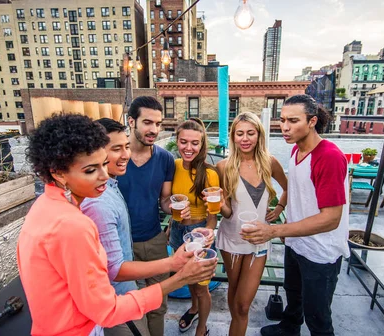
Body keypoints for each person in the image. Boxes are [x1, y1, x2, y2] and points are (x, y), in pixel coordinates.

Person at [18, 114, 217, 336]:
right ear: (58, 172)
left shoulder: (43, 207)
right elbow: (109, 308)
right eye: (91, 170)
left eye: (104, 163)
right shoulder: (74, 224)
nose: (104, 175)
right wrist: (179, 276)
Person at [242, 95, 349, 336]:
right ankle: (289, 329)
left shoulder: (329, 157)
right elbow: (295, 186)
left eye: (293, 120)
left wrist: (275, 230)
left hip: (321, 252)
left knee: (318, 316)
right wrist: (280, 208)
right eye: (282, 120)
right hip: (297, 242)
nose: (285, 127)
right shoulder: (296, 150)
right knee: (294, 295)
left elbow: (331, 218)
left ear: (312, 121)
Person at [81, 118, 190, 336]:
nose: (125, 155)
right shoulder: (97, 201)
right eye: (116, 149)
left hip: (148, 244)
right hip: (117, 296)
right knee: (139, 317)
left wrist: (176, 210)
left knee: (156, 309)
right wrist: (178, 270)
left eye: (126, 147)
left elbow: (165, 200)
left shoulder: (110, 186)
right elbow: (115, 270)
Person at [215, 112, 287, 336]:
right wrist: (217, 203)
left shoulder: (270, 163)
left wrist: (279, 208)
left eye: (250, 133)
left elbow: (290, 187)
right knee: (235, 294)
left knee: (244, 304)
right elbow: (227, 213)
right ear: (233, 137)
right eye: (240, 133)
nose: (245, 138)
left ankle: (237, 324)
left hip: (259, 242)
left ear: (259, 135)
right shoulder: (224, 167)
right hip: (232, 240)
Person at [117, 96, 176, 336]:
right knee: (133, 307)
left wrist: (177, 207)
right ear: (131, 121)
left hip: (154, 240)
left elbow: (164, 200)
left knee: (158, 305)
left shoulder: (165, 159)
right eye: (147, 122)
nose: (154, 129)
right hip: (122, 246)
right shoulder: (114, 158)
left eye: (158, 124)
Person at [169, 118, 219, 336]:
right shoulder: (174, 166)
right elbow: (168, 201)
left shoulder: (209, 173)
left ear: (202, 145)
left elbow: (213, 214)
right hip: (178, 231)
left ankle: (202, 327)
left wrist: (207, 232)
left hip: (199, 232)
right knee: (188, 277)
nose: (188, 148)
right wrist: (171, 220)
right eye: (183, 142)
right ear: (177, 141)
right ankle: (195, 308)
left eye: (194, 143)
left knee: (202, 287)